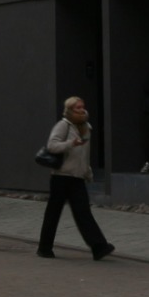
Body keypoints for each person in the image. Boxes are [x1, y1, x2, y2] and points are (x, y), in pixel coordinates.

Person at [36, 96, 114, 261]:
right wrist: (71, 143)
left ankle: (99, 247)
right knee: (53, 213)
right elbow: (52, 145)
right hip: (61, 177)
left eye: (82, 106)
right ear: (70, 110)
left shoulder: (86, 127)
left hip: (77, 177)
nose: (81, 109)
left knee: (83, 212)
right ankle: (44, 247)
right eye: (77, 107)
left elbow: (84, 155)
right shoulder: (63, 125)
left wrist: (87, 172)